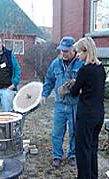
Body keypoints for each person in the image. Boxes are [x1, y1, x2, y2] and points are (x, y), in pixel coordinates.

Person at [41, 36, 83, 168]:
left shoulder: (80, 63)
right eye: (61, 51)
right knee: (57, 132)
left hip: (75, 104)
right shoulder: (55, 63)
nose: (63, 53)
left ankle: (73, 155)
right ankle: (57, 156)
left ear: (73, 49)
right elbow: (49, 80)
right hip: (60, 104)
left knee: (74, 131)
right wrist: (44, 94)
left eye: (66, 51)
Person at [69, 37, 106, 179]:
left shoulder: (84, 70)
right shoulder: (101, 68)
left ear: (86, 51)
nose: (77, 55)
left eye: (78, 52)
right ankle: (93, 176)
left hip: (86, 116)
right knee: (92, 148)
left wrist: (74, 85)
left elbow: (73, 92)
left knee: (82, 150)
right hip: (99, 114)